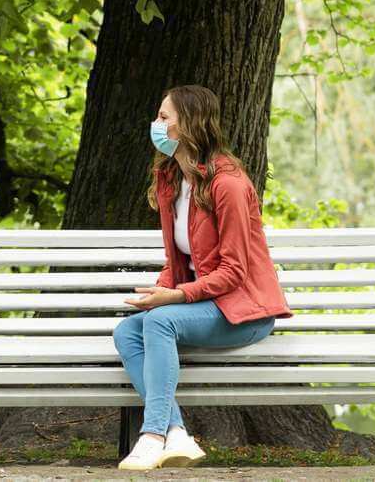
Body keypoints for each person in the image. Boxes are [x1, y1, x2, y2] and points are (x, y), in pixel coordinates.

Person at [113, 84, 293, 470]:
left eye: (164, 118)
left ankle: (152, 436)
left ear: (190, 126)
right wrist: (160, 288)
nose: (155, 125)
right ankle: (178, 435)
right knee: (126, 332)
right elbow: (182, 261)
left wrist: (174, 298)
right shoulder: (172, 180)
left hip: (245, 311)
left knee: (160, 322)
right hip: (207, 304)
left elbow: (233, 272)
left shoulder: (228, 185)